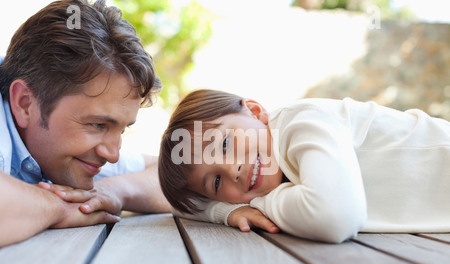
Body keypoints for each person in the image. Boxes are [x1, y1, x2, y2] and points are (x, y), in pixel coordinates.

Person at [0, 0, 276, 247]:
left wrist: (110, 192)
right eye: (97, 125)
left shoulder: (69, 152)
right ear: (26, 103)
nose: (113, 154)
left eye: (121, 129)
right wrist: (57, 206)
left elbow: (170, 175)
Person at [158, 89, 450, 243]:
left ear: (256, 112)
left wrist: (260, 204)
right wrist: (227, 212)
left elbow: (335, 218)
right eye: (217, 182)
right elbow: (187, 205)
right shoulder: (272, 164)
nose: (232, 169)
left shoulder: (303, 121)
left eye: (224, 144)